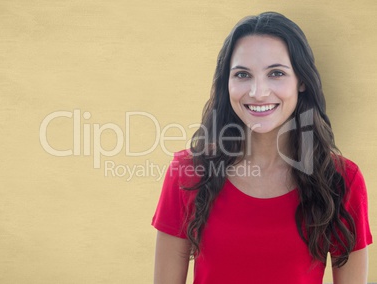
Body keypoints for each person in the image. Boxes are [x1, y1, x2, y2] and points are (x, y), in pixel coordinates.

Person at [152, 12, 372, 284]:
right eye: (243, 74)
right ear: (227, 83)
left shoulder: (341, 180)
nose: (258, 92)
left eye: (276, 73)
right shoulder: (187, 172)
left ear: (301, 81)